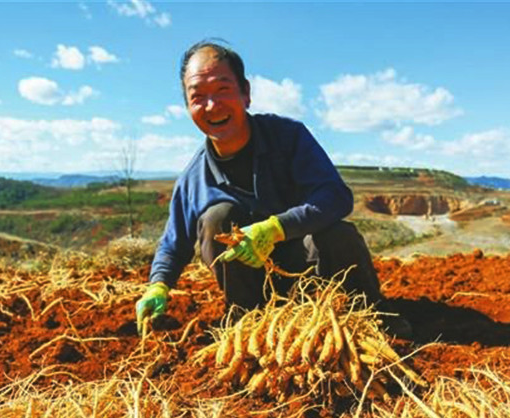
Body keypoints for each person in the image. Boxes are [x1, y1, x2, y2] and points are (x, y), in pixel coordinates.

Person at [136, 40, 411, 338]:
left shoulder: (289, 138)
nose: (212, 105)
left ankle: (371, 315)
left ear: (246, 93)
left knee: (338, 233)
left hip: (314, 276)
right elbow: (173, 244)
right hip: (255, 294)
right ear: (188, 106)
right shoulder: (194, 178)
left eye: (223, 90)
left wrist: (276, 228)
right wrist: (158, 285)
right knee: (218, 217)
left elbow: (335, 196)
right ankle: (248, 324)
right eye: (198, 96)